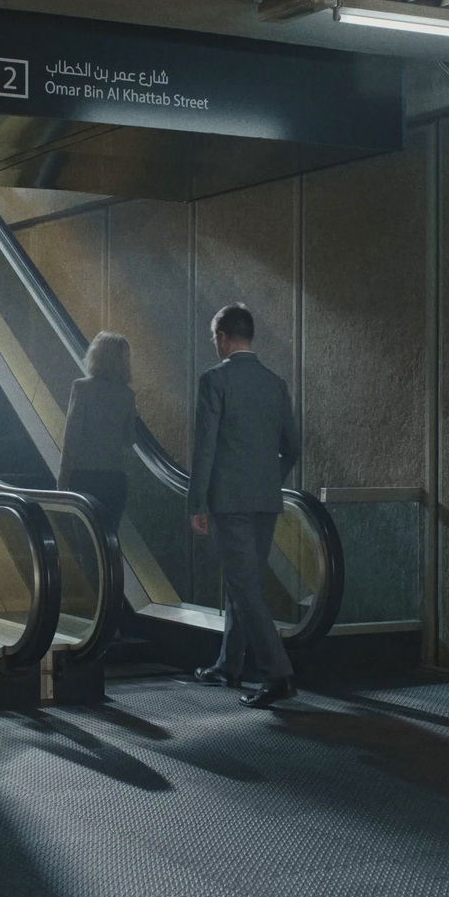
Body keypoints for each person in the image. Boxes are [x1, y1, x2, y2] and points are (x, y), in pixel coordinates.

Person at [188, 303, 300, 709]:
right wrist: (270, 481)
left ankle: (279, 673)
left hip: (229, 501)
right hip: (265, 501)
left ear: (221, 338)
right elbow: (293, 447)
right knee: (243, 581)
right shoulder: (275, 384)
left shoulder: (214, 380)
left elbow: (205, 448)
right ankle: (228, 666)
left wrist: (197, 503)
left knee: (243, 585)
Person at [57, 332, 136, 529]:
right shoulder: (127, 395)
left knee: (88, 544)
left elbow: (71, 439)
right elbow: (129, 439)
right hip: (115, 480)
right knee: (110, 543)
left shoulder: (81, 388)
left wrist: (63, 479)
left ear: (96, 356)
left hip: (85, 478)